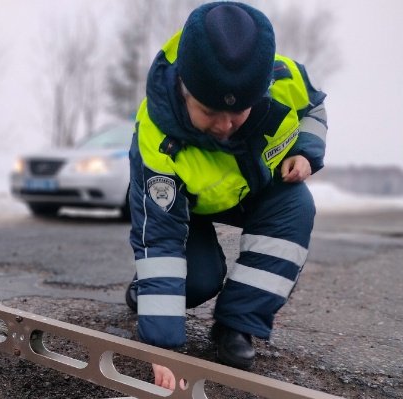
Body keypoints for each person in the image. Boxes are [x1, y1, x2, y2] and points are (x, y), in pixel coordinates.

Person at [125, 1, 328, 390]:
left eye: (238, 114)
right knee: (197, 281)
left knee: (296, 206)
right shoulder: (156, 138)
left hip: (256, 186)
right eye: (209, 111)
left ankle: (236, 325)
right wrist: (162, 349)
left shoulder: (285, 78)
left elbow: (314, 109)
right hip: (189, 205)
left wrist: (305, 151)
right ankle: (142, 293)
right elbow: (160, 241)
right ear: (185, 87)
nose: (224, 125)